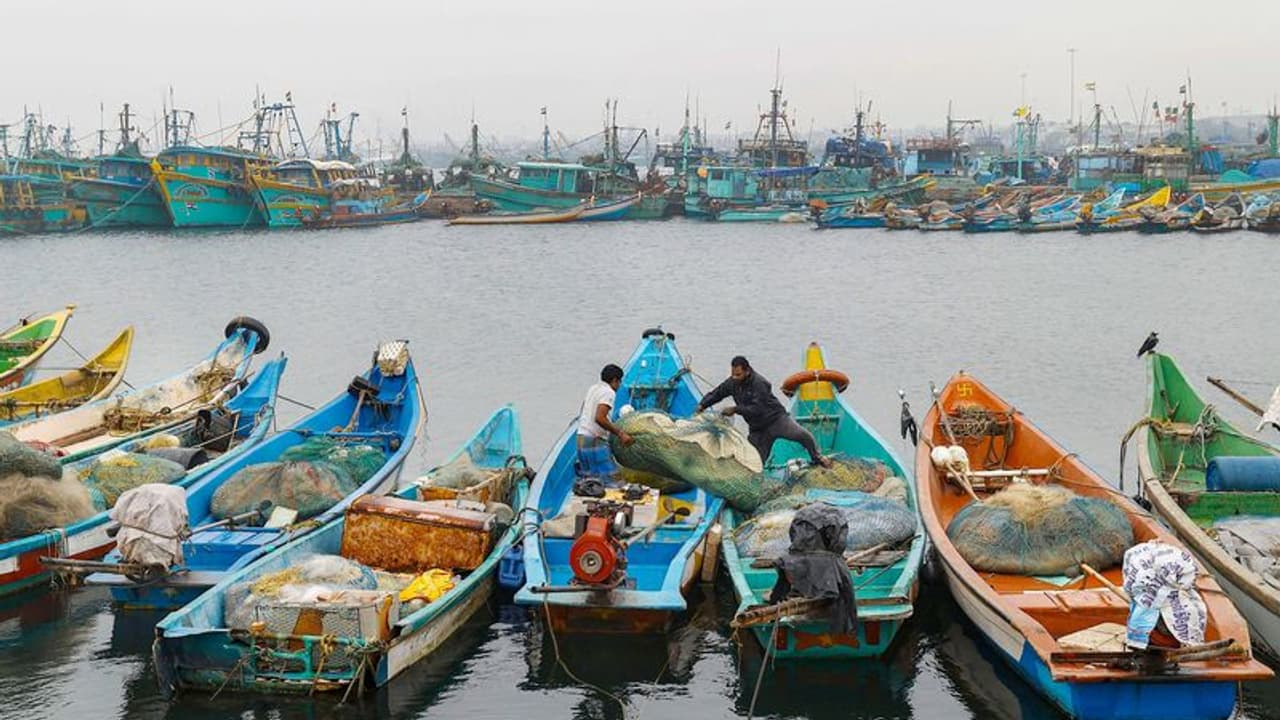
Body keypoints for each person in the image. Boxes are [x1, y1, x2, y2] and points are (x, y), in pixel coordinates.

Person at [695, 356, 831, 468]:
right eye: (733, 375)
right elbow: (717, 393)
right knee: (755, 463)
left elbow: (757, 409)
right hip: (758, 430)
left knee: (803, 435)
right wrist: (703, 404)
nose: (735, 378)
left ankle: (817, 458)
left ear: (747, 371)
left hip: (776, 420)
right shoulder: (732, 383)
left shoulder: (760, 383)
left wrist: (736, 409)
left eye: (738, 375)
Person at [576, 363, 634, 482]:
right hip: (594, 440)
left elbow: (583, 410)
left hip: (580, 438)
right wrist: (620, 434)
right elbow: (600, 418)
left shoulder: (593, 388)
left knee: (591, 481)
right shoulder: (609, 392)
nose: (620, 385)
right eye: (619, 381)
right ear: (614, 380)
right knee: (614, 481)